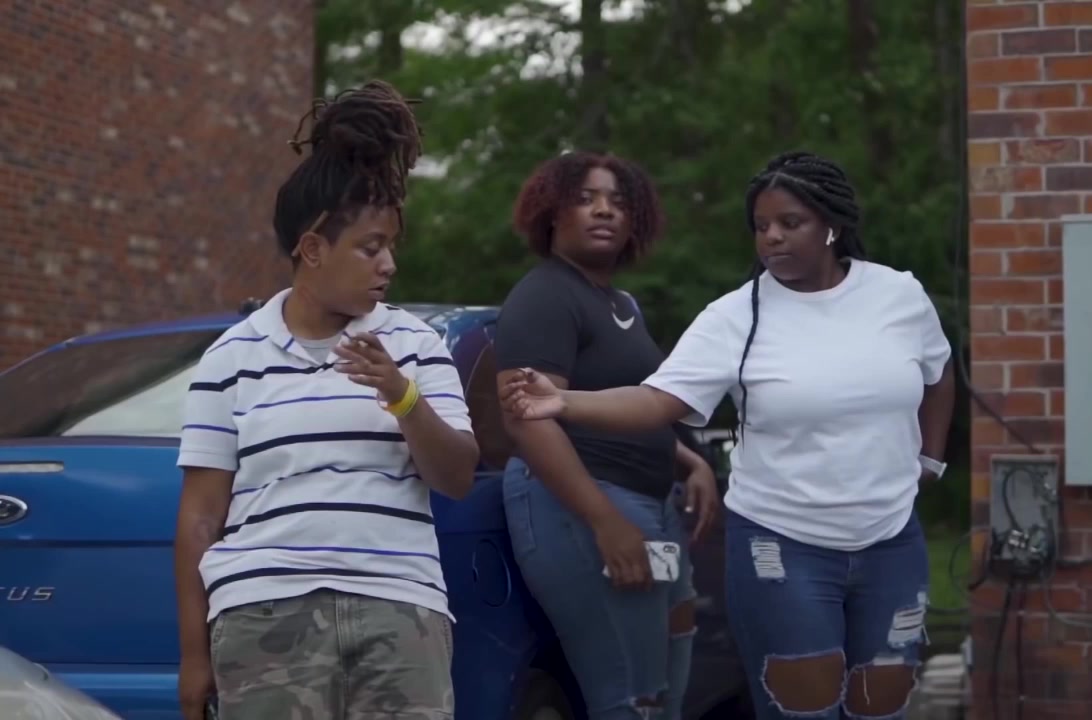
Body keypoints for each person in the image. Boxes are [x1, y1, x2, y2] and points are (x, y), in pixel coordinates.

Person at [500, 151, 956, 720]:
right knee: (800, 708)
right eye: (761, 227)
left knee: (882, 705)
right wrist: (566, 401)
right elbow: (657, 400)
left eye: (790, 223)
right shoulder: (735, 316)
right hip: (783, 541)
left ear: (832, 226)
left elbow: (939, 372)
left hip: (891, 539)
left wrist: (929, 459)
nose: (772, 238)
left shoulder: (898, 295)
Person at [173, 80, 478, 720]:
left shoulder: (416, 345)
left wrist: (402, 396)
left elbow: (456, 476)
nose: (388, 264)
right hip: (264, 613)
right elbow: (200, 517)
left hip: (399, 611)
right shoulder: (230, 358)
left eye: (390, 246)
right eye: (371, 247)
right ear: (312, 249)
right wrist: (194, 656)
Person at [493, 151, 720, 720]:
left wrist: (688, 461)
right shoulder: (545, 295)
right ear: (552, 213)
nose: (604, 211)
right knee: (632, 696)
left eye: (619, 202)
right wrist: (605, 522)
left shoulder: (620, 304)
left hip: (651, 504)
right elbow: (527, 418)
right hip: (583, 503)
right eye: (586, 199)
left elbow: (615, 403)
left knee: (664, 688)